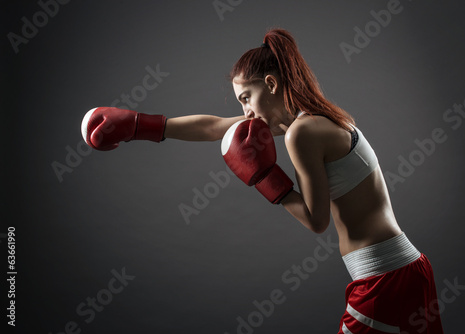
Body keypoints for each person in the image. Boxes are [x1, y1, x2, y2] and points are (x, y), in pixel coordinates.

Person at [81, 28, 444, 334]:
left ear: (270, 83)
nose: (245, 113)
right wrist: (137, 126)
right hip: (405, 269)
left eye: (246, 98)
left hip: (384, 279)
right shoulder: (314, 119)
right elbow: (214, 126)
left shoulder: (304, 133)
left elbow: (318, 222)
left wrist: (264, 177)